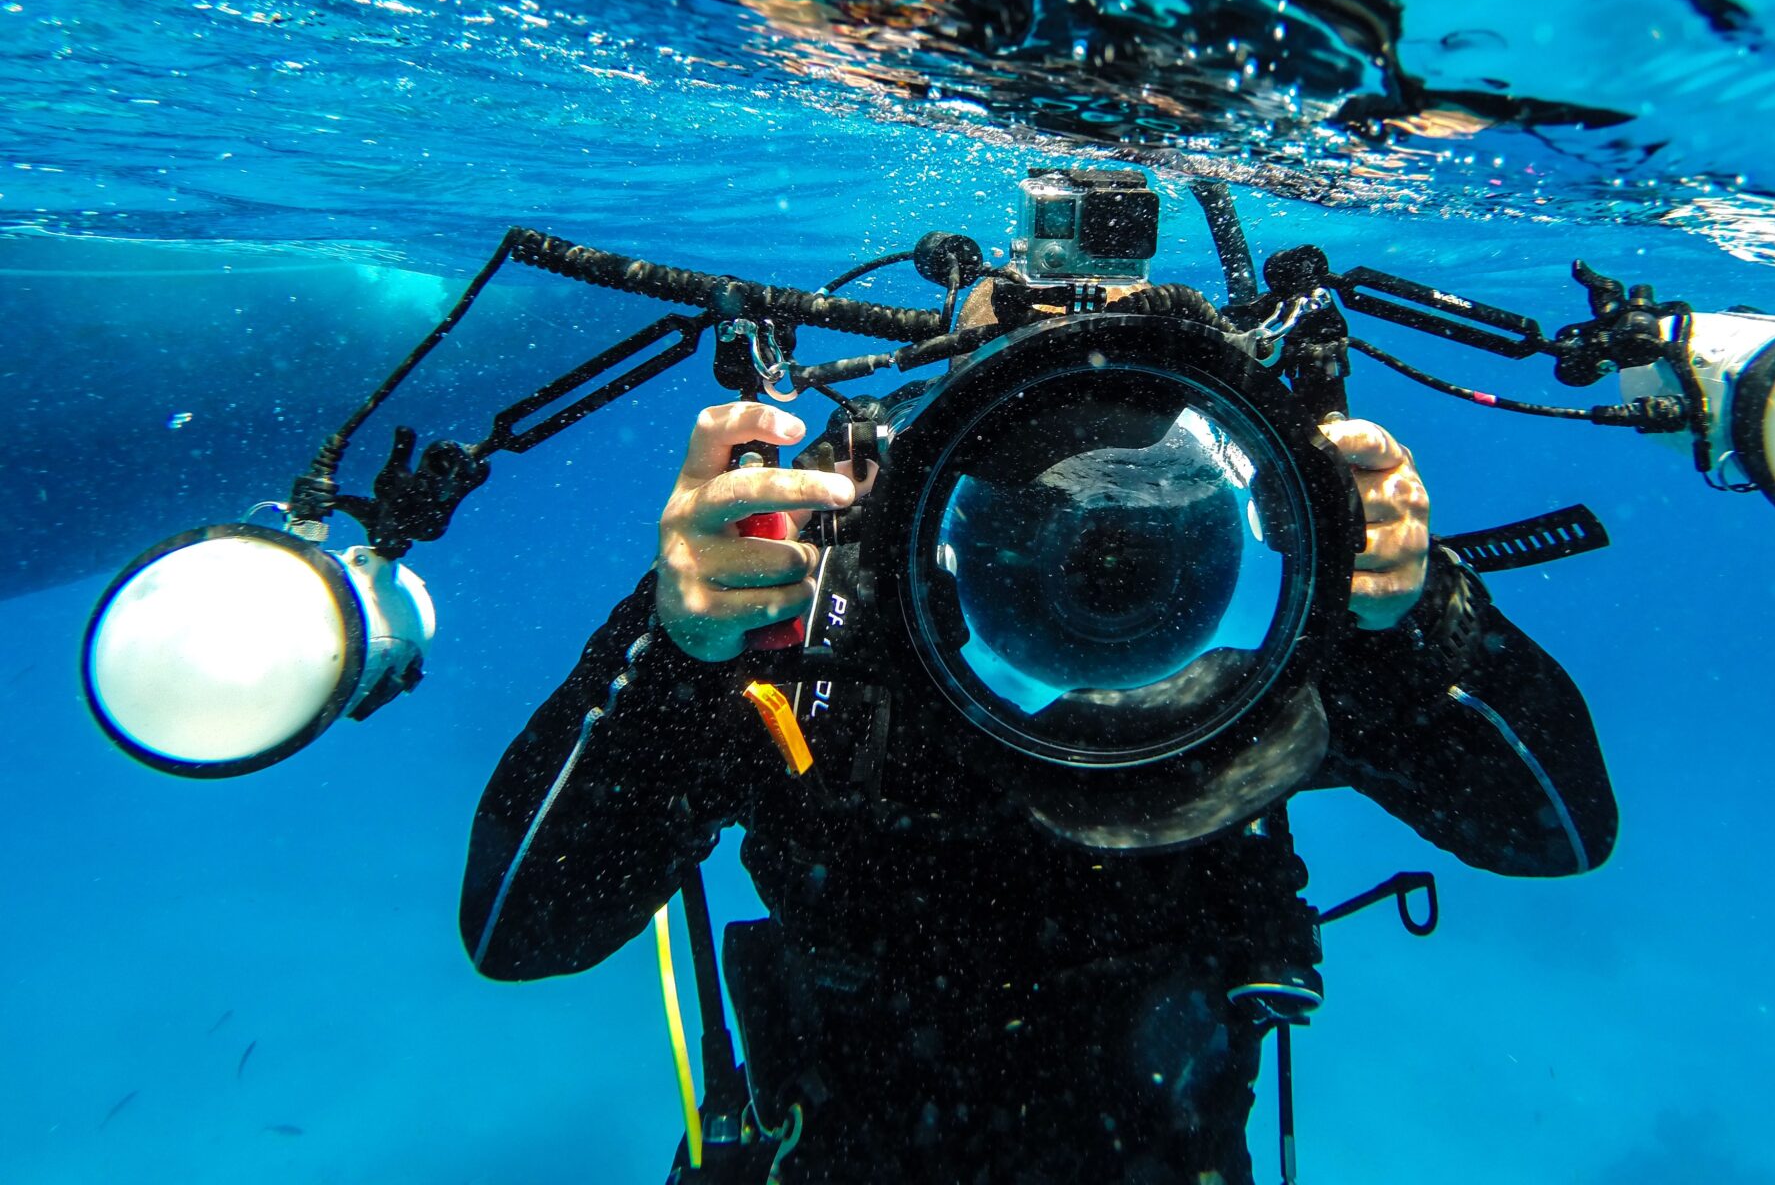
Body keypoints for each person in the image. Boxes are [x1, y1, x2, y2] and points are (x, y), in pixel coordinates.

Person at [461, 281, 1619, 1185]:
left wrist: (1415, 608)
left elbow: (1554, 829)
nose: (1098, 545)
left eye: (1153, 500)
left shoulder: (1272, 665)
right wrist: (677, 645)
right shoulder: (819, 625)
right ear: (924, 444)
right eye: (1030, 469)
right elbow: (526, 925)